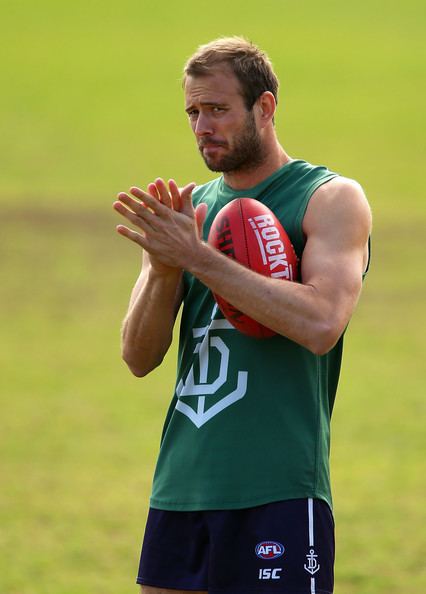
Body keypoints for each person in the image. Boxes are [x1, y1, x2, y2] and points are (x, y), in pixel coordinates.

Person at [113, 37, 371, 594]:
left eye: (217, 109)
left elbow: (322, 324)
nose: (202, 126)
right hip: (181, 487)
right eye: (193, 112)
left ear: (265, 107)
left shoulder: (329, 198)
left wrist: (197, 258)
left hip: (277, 487)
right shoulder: (188, 213)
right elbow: (138, 357)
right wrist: (162, 270)